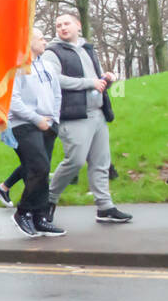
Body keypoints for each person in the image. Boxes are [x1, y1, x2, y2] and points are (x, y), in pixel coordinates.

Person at [42, 13, 132, 224]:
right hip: (73, 116)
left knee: (101, 162)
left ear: (78, 25)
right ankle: (47, 200)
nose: (62, 27)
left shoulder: (87, 48)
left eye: (66, 23)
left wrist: (105, 79)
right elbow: (55, 80)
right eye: (58, 25)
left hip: (98, 113)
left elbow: (95, 80)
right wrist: (89, 83)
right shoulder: (52, 52)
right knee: (74, 161)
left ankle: (104, 207)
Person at [6, 29, 66, 238]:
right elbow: (13, 101)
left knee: (42, 170)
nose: (45, 41)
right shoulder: (17, 66)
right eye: (41, 38)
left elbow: (56, 93)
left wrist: (54, 120)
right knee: (38, 167)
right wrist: (37, 119)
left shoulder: (47, 65)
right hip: (24, 124)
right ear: (27, 41)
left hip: (48, 124)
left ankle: (39, 217)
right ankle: (23, 212)